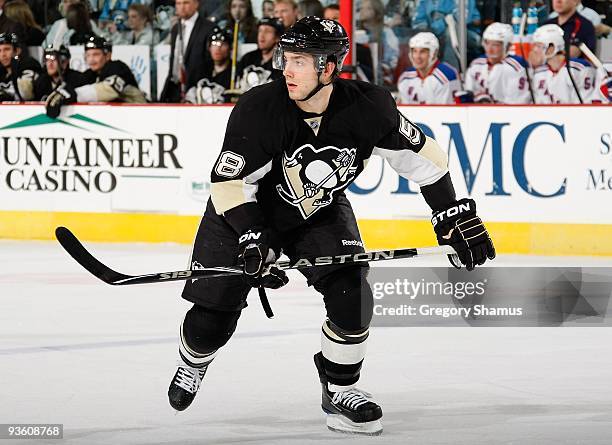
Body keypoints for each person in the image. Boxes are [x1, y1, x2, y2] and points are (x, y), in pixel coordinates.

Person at [166, 16, 495, 436]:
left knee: (352, 296)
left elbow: (425, 158)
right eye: (287, 57)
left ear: (329, 67)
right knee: (211, 321)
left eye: (300, 60)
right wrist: (252, 235)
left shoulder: (368, 106)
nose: (286, 68)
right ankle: (193, 363)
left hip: (316, 209)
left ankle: (341, 390)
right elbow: (229, 184)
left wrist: (450, 213)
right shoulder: (259, 108)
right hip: (242, 213)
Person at [45, 35, 146, 117]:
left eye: (96, 55)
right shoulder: (91, 74)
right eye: (88, 55)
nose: (91, 60)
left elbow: (108, 89)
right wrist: (62, 92)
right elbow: (74, 86)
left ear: (108, 55)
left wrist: (71, 94)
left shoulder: (118, 68)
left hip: (142, 116)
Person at [159, 0, 215, 102]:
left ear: (196, 4)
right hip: (175, 90)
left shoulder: (208, 28)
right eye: (178, 3)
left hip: (198, 90)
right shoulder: (176, 28)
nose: (182, 7)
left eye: (186, 3)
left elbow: (210, 62)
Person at [464, 22, 531, 103]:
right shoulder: (476, 65)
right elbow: (468, 94)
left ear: (508, 46)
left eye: (495, 45)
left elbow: (517, 102)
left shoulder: (516, 67)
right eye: (487, 43)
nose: (490, 49)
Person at [529, 24, 596, 104]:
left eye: (539, 46)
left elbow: (587, 106)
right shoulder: (539, 74)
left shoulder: (579, 69)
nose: (535, 50)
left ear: (552, 47)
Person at [397, 32, 460, 104]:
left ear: (434, 53)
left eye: (423, 52)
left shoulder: (446, 76)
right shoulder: (405, 78)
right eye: (414, 51)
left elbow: (447, 112)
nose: (417, 57)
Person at [185, 27, 232, 104]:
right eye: (214, 44)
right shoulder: (200, 70)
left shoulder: (236, 71)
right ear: (209, 47)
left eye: (222, 44)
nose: (218, 48)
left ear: (230, 48)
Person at [237, 16, 284, 92]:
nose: (262, 35)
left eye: (267, 31)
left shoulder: (282, 62)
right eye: (260, 31)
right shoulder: (248, 58)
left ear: (277, 37)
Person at [359, 0, 399, 85]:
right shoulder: (356, 32)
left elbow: (392, 58)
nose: (363, 11)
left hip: (380, 79)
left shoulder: (386, 32)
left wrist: (382, 73)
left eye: (368, 8)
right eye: (361, 8)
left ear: (377, 11)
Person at [0, 32, 40, 101]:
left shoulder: (28, 65)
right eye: (0, 51)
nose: (3, 54)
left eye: (7, 49)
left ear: (17, 51)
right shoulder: (1, 72)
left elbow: (27, 96)